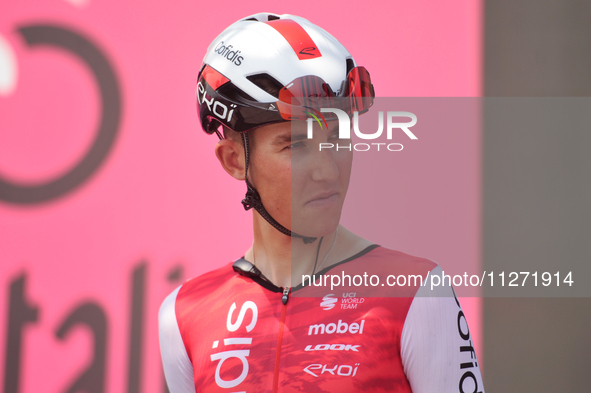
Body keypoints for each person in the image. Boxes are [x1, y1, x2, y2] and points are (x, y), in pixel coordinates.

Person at [159, 12, 484, 392]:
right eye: (296, 144)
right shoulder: (183, 316)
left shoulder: (416, 292)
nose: (328, 171)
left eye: (338, 137)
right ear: (234, 160)